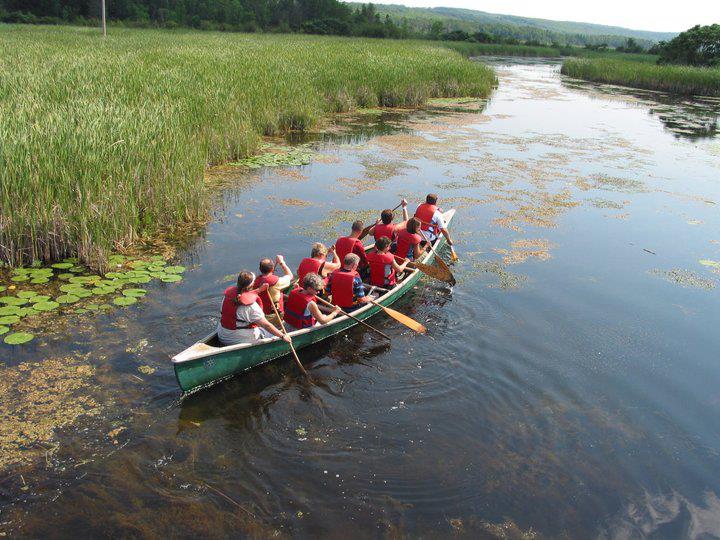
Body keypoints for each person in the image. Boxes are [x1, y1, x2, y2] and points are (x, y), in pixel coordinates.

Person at [218, 271, 291, 345]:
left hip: (222, 335)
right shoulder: (251, 307)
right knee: (272, 335)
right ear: (252, 285)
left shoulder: (227, 296)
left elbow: (244, 293)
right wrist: (282, 336)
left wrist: (259, 290)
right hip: (237, 340)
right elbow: (266, 325)